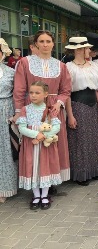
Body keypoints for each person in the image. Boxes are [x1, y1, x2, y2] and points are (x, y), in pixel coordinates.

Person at [14, 30, 72, 183]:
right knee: (35, 144)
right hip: (32, 109)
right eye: (41, 41)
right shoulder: (25, 62)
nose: (45, 44)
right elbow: (19, 89)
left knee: (52, 144)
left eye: (48, 41)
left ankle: (51, 180)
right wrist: (19, 111)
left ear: (53, 44)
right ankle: (35, 180)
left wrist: (59, 103)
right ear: (35, 44)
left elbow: (65, 90)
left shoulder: (61, 65)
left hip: (53, 109)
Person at [65, 37, 98, 186]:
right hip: (77, 104)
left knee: (94, 138)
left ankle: (95, 170)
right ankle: (81, 173)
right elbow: (66, 92)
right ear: (79, 50)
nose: (90, 51)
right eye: (87, 48)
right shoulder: (68, 67)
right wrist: (70, 115)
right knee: (80, 140)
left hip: (93, 105)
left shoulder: (93, 66)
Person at [16, 81, 62, 210]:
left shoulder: (49, 109)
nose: (33, 95)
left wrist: (46, 136)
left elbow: (57, 126)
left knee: (45, 168)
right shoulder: (26, 109)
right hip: (31, 145)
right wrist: (36, 134)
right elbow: (22, 128)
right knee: (33, 168)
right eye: (31, 93)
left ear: (45, 94)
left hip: (46, 147)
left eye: (37, 92)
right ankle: (36, 195)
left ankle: (45, 195)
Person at [0, 38, 17, 203]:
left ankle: (5, 188)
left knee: (6, 149)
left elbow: (18, 94)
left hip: (5, 111)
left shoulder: (11, 73)